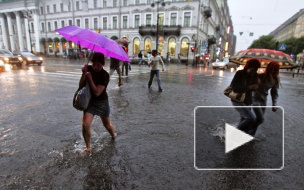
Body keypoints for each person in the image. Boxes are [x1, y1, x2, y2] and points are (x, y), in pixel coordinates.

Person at [79, 52, 117, 152]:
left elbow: (97, 92)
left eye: (98, 65)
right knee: (85, 125)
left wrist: (89, 77)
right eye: (94, 64)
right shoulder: (89, 69)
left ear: (103, 64)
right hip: (90, 102)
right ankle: (88, 147)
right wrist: (84, 74)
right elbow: (81, 85)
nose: (95, 67)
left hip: (102, 103)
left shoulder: (105, 75)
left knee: (107, 125)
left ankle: (113, 134)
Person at [230, 59, 261, 133]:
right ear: (249, 67)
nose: (255, 70)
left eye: (257, 69)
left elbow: (254, 89)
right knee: (251, 118)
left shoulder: (255, 76)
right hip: (237, 100)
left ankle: (240, 135)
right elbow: (234, 88)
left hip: (248, 101)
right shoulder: (240, 74)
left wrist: (257, 85)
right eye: (254, 68)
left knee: (244, 118)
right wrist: (250, 87)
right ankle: (234, 133)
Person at [249, 62, 280, 136]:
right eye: (272, 69)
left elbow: (274, 93)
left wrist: (274, 104)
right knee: (260, 118)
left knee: (258, 120)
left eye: (275, 70)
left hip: (263, 101)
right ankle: (246, 131)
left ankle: (251, 135)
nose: (273, 72)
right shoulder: (260, 76)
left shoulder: (275, 80)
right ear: (268, 69)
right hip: (254, 99)